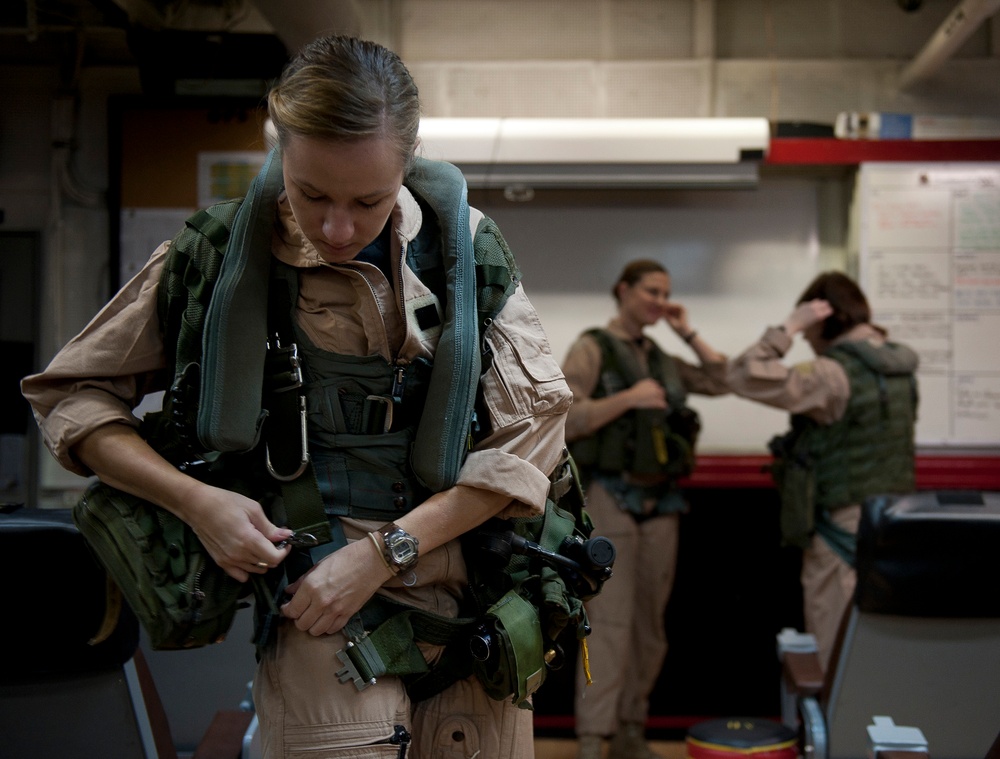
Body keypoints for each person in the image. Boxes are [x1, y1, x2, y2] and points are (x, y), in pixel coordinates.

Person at [21, 35, 573, 758]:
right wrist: (199, 502)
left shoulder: (467, 255)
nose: (336, 229)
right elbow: (74, 395)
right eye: (311, 193)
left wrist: (384, 552)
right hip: (318, 601)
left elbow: (531, 440)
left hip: (478, 595)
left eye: (368, 201)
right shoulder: (217, 257)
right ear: (278, 150)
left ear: (405, 164)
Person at [561, 259, 729, 759]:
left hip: (663, 501)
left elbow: (723, 380)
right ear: (624, 291)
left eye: (666, 293)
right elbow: (564, 417)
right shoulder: (593, 347)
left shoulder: (660, 356)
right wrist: (628, 400)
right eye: (651, 292)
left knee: (650, 628)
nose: (659, 301)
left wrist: (687, 331)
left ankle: (631, 727)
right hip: (612, 498)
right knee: (609, 624)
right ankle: (595, 738)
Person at [724, 271, 918, 670]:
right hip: (894, 524)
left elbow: (742, 373)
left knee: (834, 649)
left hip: (841, 528)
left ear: (824, 319)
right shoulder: (900, 366)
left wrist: (789, 327)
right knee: (883, 645)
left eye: (811, 333)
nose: (809, 344)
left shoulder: (833, 374)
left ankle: (835, 730)